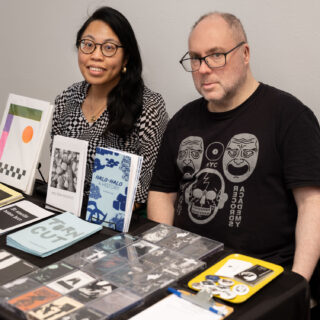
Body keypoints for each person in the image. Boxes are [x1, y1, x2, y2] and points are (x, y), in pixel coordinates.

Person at [148, 11, 320, 284]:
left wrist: (296, 285)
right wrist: (168, 257)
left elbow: (312, 203)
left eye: (216, 55)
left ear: (245, 54)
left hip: (261, 275)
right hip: (188, 270)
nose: (203, 68)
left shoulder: (289, 116)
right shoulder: (182, 121)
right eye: (195, 58)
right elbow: (161, 192)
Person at [51, 7, 169, 210]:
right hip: (64, 215)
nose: (95, 55)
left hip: (117, 224)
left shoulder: (148, 107)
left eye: (108, 48)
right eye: (88, 45)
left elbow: (141, 194)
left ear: (126, 58)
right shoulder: (66, 99)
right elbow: (60, 180)